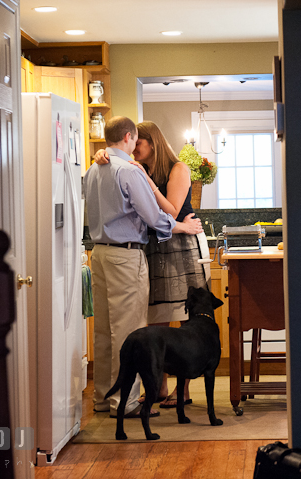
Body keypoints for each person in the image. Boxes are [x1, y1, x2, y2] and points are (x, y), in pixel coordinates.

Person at [84, 116, 203, 418]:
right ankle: (126, 402)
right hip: (126, 255)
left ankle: (102, 398)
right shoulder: (129, 171)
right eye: (134, 141)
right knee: (128, 332)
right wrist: (181, 228)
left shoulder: (92, 170)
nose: (136, 146)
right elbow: (154, 216)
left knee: (104, 331)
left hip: (99, 252)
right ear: (129, 136)